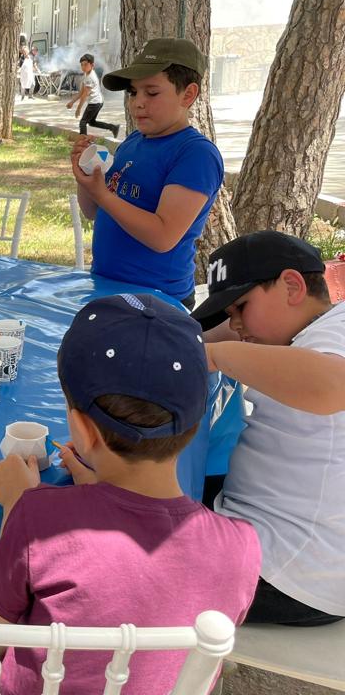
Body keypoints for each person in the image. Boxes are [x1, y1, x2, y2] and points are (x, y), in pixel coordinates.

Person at [0, 294, 260, 695]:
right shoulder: (242, 545)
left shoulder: (39, 518)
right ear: (195, 426)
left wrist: (14, 505)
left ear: (81, 429)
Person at [191, 230, 345, 627]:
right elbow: (205, 338)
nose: (236, 324)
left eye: (241, 306)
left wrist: (217, 356)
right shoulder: (303, 327)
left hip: (289, 571)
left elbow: (331, 386)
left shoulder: (334, 335)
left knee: (124, 544)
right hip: (280, 536)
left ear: (292, 285)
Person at [70, 38, 224, 307]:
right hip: (107, 286)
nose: (138, 103)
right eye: (133, 92)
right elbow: (94, 212)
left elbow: (163, 236)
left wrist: (104, 196)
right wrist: (86, 179)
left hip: (157, 301)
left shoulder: (195, 154)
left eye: (151, 93)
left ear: (187, 94)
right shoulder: (132, 143)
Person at [67, 53, 120, 138]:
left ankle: (83, 141)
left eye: (85, 64)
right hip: (98, 101)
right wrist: (72, 102)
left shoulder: (90, 77)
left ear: (92, 65)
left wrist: (78, 109)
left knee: (83, 122)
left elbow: (84, 95)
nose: (83, 67)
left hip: (95, 102)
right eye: (81, 65)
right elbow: (81, 92)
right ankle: (113, 127)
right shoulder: (86, 74)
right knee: (92, 122)